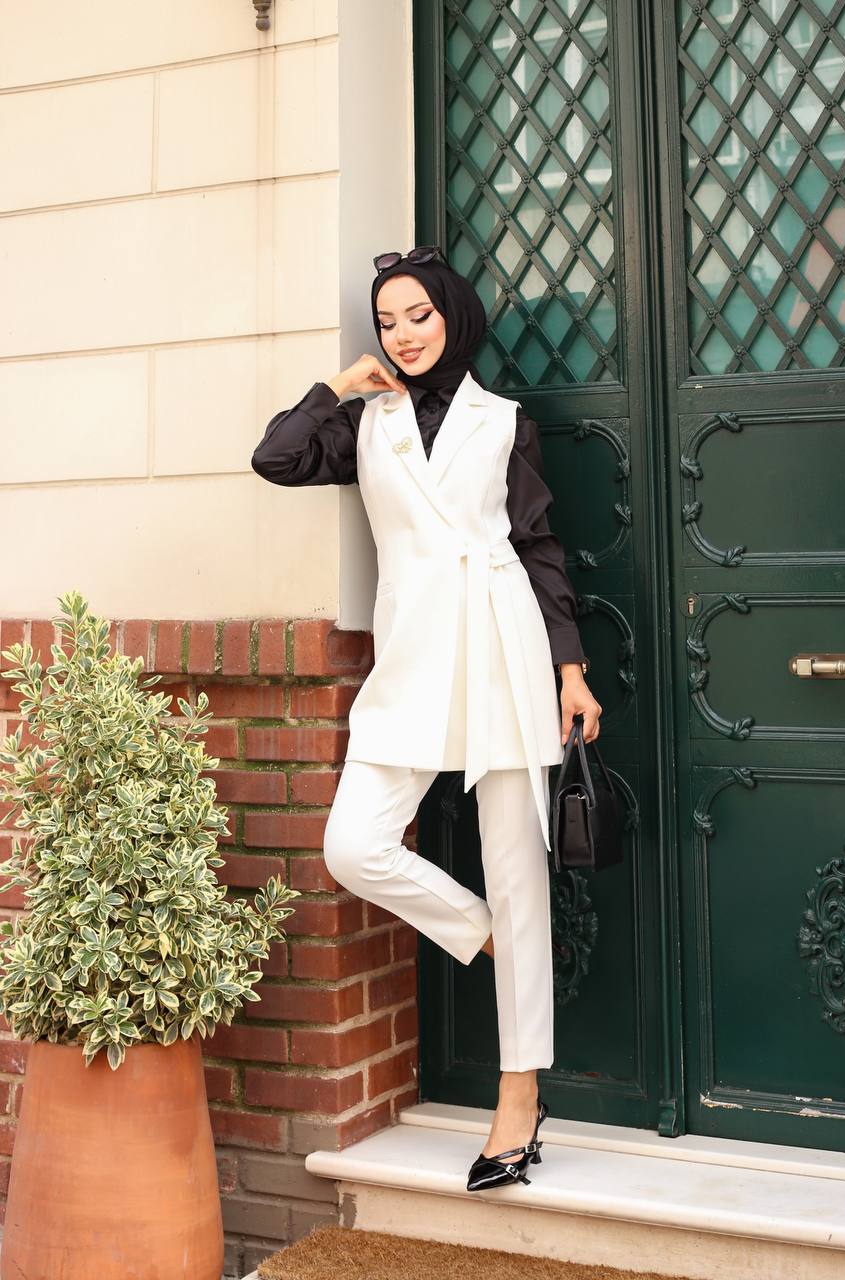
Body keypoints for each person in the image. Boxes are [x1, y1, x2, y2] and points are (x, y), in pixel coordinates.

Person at [251, 245, 602, 1191]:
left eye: (419, 314)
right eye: (388, 320)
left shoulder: (503, 420)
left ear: (453, 314)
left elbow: (536, 544)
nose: (404, 334)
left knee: (520, 869)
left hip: (502, 645)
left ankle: (517, 1102)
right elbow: (273, 457)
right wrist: (335, 385)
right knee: (352, 846)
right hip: (410, 663)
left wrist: (570, 670)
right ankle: (483, 931)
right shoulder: (363, 422)